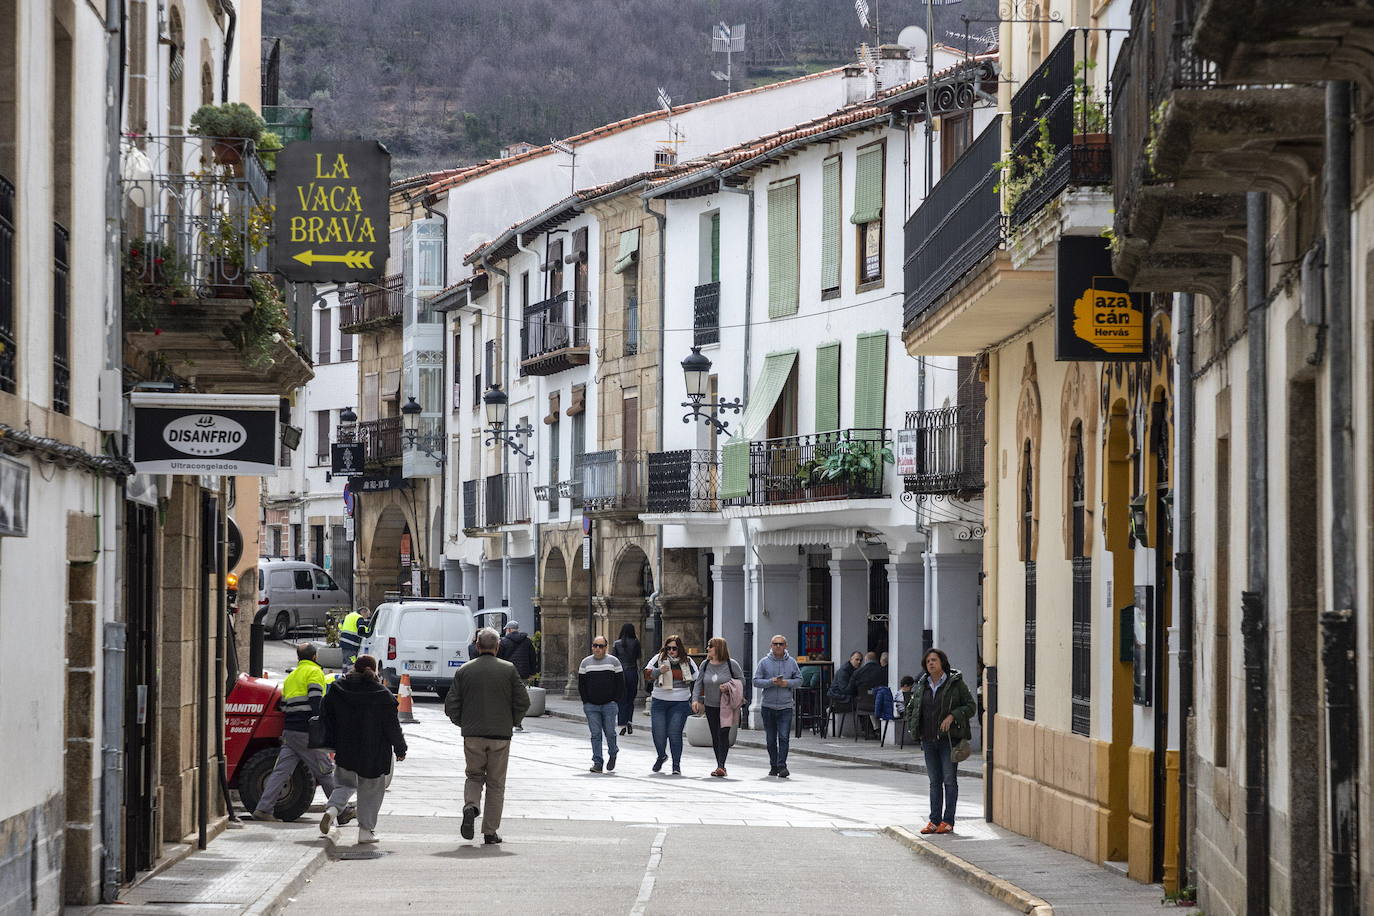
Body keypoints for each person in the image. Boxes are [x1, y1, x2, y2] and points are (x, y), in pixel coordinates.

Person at [444, 627, 530, 845]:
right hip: (500, 735)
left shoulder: (464, 670)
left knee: (474, 776)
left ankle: (471, 806)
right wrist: (513, 721)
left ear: (477, 646)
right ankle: (490, 831)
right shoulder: (508, 669)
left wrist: (462, 723)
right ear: (498, 647)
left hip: (473, 734)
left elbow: (451, 704)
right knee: (495, 784)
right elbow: (523, 701)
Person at [318, 655, 407, 844]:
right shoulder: (383, 695)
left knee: (344, 784)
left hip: (346, 748)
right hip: (373, 754)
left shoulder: (337, 690)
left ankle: (332, 810)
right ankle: (365, 832)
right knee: (371, 790)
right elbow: (392, 726)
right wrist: (400, 748)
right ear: (374, 670)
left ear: (354, 669)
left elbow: (326, 715)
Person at [252, 643, 341, 821]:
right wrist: (321, 725)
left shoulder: (292, 676)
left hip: (290, 731)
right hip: (306, 731)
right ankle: (342, 810)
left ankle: (263, 808)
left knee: (281, 772)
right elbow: (316, 699)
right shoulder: (314, 672)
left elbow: (284, 705)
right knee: (325, 771)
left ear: (298, 657)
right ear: (315, 657)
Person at [904, 647, 976, 835]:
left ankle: (948, 821)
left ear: (942, 662)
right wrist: (914, 726)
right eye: (928, 661)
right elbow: (912, 706)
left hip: (948, 740)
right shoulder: (922, 684)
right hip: (928, 739)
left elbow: (970, 706)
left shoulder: (955, 683)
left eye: (934, 660)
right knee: (934, 781)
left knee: (949, 780)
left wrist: (953, 715)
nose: (931, 663)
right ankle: (934, 821)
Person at [643, 634, 698, 775]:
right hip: (659, 700)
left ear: (679, 648)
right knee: (659, 733)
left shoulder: (688, 661)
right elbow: (647, 675)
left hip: (680, 701)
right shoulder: (658, 659)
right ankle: (661, 755)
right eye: (668, 648)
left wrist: (697, 700)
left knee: (674, 733)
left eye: (674, 648)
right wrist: (658, 671)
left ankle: (676, 765)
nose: (671, 651)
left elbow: (697, 679)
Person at [690, 637, 745, 777]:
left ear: (719, 648)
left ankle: (721, 766)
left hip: (726, 706)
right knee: (715, 735)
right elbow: (698, 683)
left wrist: (727, 687)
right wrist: (695, 699)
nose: (707, 649)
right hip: (710, 705)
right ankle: (719, 764)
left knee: (723, 733)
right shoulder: (705, 664)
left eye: (710, 646)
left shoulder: (731, 664)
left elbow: (741, 681)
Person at [752, 634, 803, 778]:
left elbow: (799, 680)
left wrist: (787, 683)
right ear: (771, 646)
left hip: (785, 706)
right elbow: (756, 681)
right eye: (775, 644)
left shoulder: (792, 662)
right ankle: (773, 765)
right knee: (770, 739)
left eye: (781, 644)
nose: (778, 646)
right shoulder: (764, 662)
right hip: (768, 706)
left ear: (786, 646)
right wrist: (770, 682)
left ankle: (782, 766)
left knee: (784, 737)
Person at [578, 636, 623, 773]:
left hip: (609, 704)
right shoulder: (585, 663)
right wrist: (586, 701)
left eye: (601, 646)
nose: (597, 648)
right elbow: (582, 685)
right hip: (591, 706)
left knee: (610, 732)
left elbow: (620, 683)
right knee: (595, 734)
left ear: (606, 648)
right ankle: (597, 762)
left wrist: (615, 700)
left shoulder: (614, 662)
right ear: (592, 647)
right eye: (595, 645)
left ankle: (613, 752)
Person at [611, 623, 642, 735]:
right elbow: (639, 658)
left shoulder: (617, 643)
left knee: (621, 699)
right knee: (630, 699)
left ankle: (622, 723)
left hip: (620, 673)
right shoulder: (636, 643)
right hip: (632, 672)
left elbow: (613, 660)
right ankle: (629, 721)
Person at [850, 651, 886, 738]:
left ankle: (866, 730)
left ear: (865, 660)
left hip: (862, 704)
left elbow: (851, 688)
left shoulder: (858, 672)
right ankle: (877, 729)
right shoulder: (883, 671)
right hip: (879, 703)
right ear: (876, 660)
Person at [337, 606, 371, 671]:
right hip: (351, 645)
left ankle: (344, 676)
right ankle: (351, 677)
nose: (366, 618)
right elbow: (362, 630)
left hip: (343, 643)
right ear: (363, 612)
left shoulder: (349, 616)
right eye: (367, 615)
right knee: (352, 663)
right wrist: (369, 630)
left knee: (345, 663)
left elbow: (340, 625)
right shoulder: (359, 618)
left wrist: (344, 632)